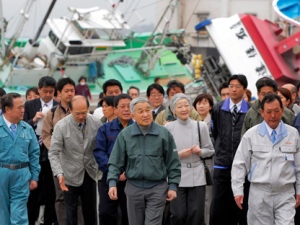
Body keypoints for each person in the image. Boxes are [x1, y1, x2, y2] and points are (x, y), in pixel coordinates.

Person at [107, 97, 181, 225]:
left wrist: (173, 186)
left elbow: (173, 162)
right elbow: (115, 162)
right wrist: (112, 183)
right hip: (133, 188)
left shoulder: (164, 134)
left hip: (157, 188)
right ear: (133, 115)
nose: (146, 114)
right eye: (140, 111)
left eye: (148, 110)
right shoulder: (125, 135)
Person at [232, 93, 300, 224]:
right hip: (259, 193)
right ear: (262, 112)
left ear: (282, 110)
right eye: (269, 112)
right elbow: (239, 164)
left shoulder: (293, 134)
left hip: (285, 192)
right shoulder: (251, 135)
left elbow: (299, 165)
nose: (273, 115)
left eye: (276, 111)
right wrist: (238, 190)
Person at [49, 96, 102, 225]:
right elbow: (53, 152)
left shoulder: (96, 122)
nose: (81, 116)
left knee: (91, 212)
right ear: (70, 110)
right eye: (77, 113)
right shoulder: (61, 126)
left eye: (84, 112)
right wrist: (59, 173)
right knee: (70, 213)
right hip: (69, 174)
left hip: (90, 172)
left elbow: (100, 147)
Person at [165, 93, 214, 225]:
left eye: (186, 105)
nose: (184, 109)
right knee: (178, 214)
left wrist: (200, 151)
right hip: (176, 175)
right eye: (179, 106)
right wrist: (178, 155)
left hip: (197, 175)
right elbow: (163, 154)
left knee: (196, 214)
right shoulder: (168, 128)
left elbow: (210, 150)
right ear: (173, 110)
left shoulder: (200, 126)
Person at [42, 78, 84, 225]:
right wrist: (55, 149)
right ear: (58, 93)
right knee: (60, 196)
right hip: (59, 162)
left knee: (78, 197)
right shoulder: (52, 113)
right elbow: (46, 135)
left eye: (72, 90)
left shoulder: (81, 112)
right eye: (66, 91)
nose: (69, 93)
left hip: (78, 162)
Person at [210, 74, 251, 225]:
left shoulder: (250, 110)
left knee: (242, 205)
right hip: (222, 164)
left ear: (244, 89)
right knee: (219, 205)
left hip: (244, 165)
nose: (233, 90)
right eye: (231, 86)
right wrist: (221, 150)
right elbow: (214, 133)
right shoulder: (218, 108)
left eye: (237, 87)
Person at [0, 93, 40, 225]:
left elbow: (34, 153)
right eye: (19, 107)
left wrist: (34, 176)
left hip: (21, 174)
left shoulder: (27, 129)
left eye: (23, 107)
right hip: (2, 173)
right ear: (7, 109)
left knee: (19, 214)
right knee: (2, 213)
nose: (23, 110)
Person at [94, 94, 133, 225]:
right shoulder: (105, 129)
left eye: (129, 106)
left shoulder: (139, 129)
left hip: (131, 178)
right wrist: (113, 171)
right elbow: (99, 152)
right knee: (105, 213)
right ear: (115, 109)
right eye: (122, 106)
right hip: (108, 176)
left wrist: (128, 171)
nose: (126, 109)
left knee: (129, 214)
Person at [24, 76, 58, 225]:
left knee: (52, 190)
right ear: (39, 90)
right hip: (34, 151)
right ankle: (31, 220)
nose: (48, 94)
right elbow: (22, 126)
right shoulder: (29, 105)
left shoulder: (58, 106)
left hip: (52, 150)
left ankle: (49, 220)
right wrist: (33, 120)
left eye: (51, 92)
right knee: (33, 190)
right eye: (45, 91)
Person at [193, 93, 215, 225]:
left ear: (210, 106)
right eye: (199, 103)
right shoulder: (190, 121)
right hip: (193, 163)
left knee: (207, 197)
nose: (201, 106)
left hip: (208, 163)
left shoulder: (213, 122)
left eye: (205, 103)